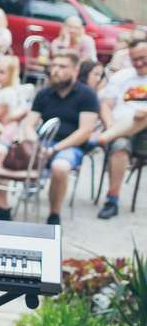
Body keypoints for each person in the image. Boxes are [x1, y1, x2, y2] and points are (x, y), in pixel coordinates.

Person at [9, 50, 99, 225]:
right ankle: (4, 207)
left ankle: (54, 214)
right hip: (43, 142)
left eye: (62, 66)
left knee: (60, 167)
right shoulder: (45, 93)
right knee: (7, 153)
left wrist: (54, 149)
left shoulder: (87, 94)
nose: (56, 70)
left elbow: (85, 131)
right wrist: (36, 144)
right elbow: (28, 123)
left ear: (75, 70)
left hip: (70, 146)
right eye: (54, 66)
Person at [96, 39, 147, 219]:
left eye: (143, 58)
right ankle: (112, 200)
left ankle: (106, 136)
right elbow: (105, 105)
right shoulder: (122, 76)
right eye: (135, 59)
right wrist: (109, 124)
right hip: (119, 127)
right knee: (119, 146)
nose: (139, 63)